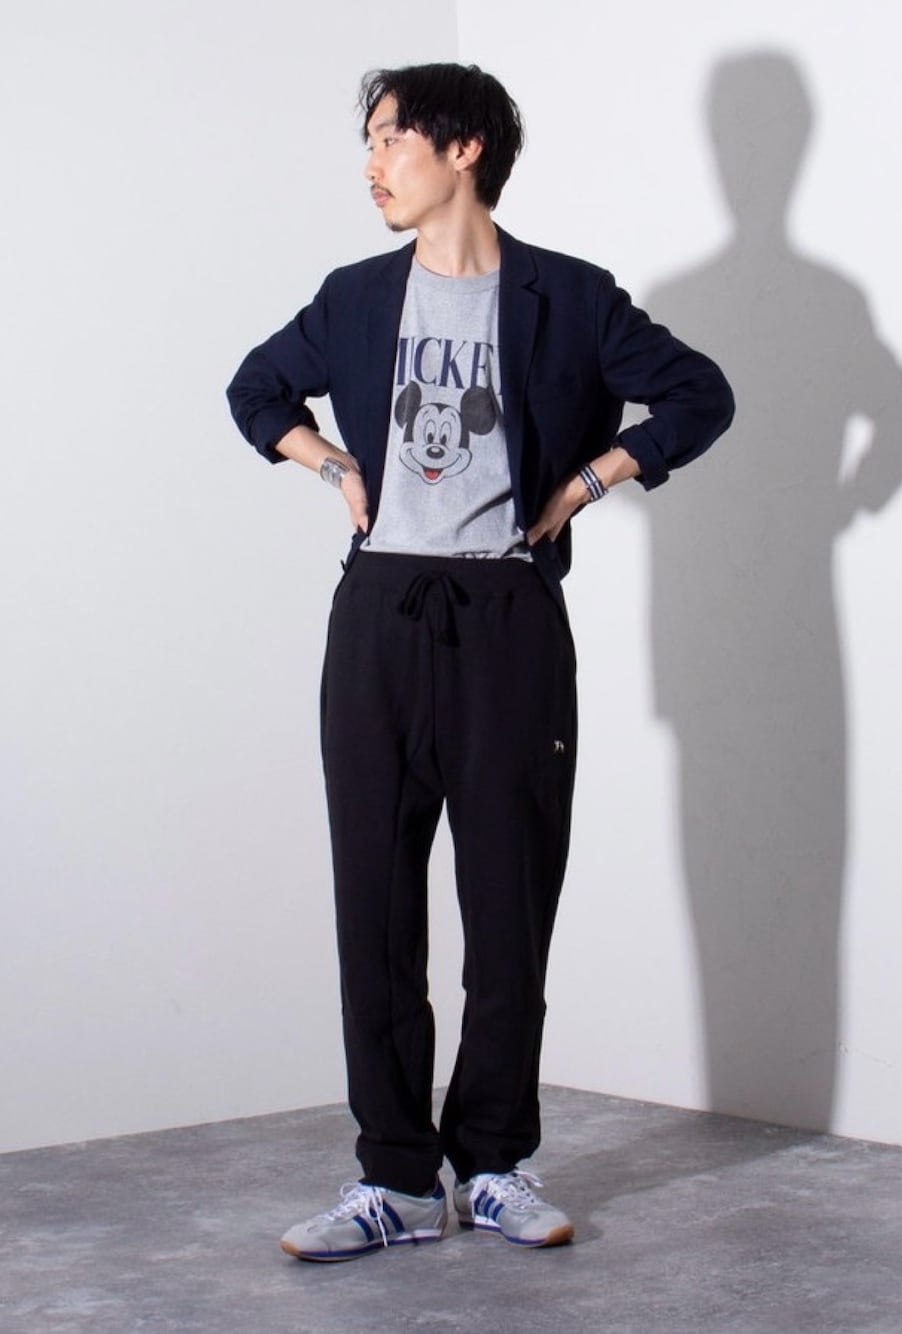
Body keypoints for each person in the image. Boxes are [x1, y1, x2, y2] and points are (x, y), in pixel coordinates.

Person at [227, 62, 734, 1263]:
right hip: (380, 616)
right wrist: (333, 465)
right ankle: (395, 1179)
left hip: (508, 617)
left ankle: (495, 1161)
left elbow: (697, 394)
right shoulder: (355, 297)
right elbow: (255, 388)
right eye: (368, 143)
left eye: (389, 139)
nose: (371, 165)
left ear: (463, 149)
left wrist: (587, 481)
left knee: (508, 903)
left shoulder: (568, 296)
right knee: (375, 905)